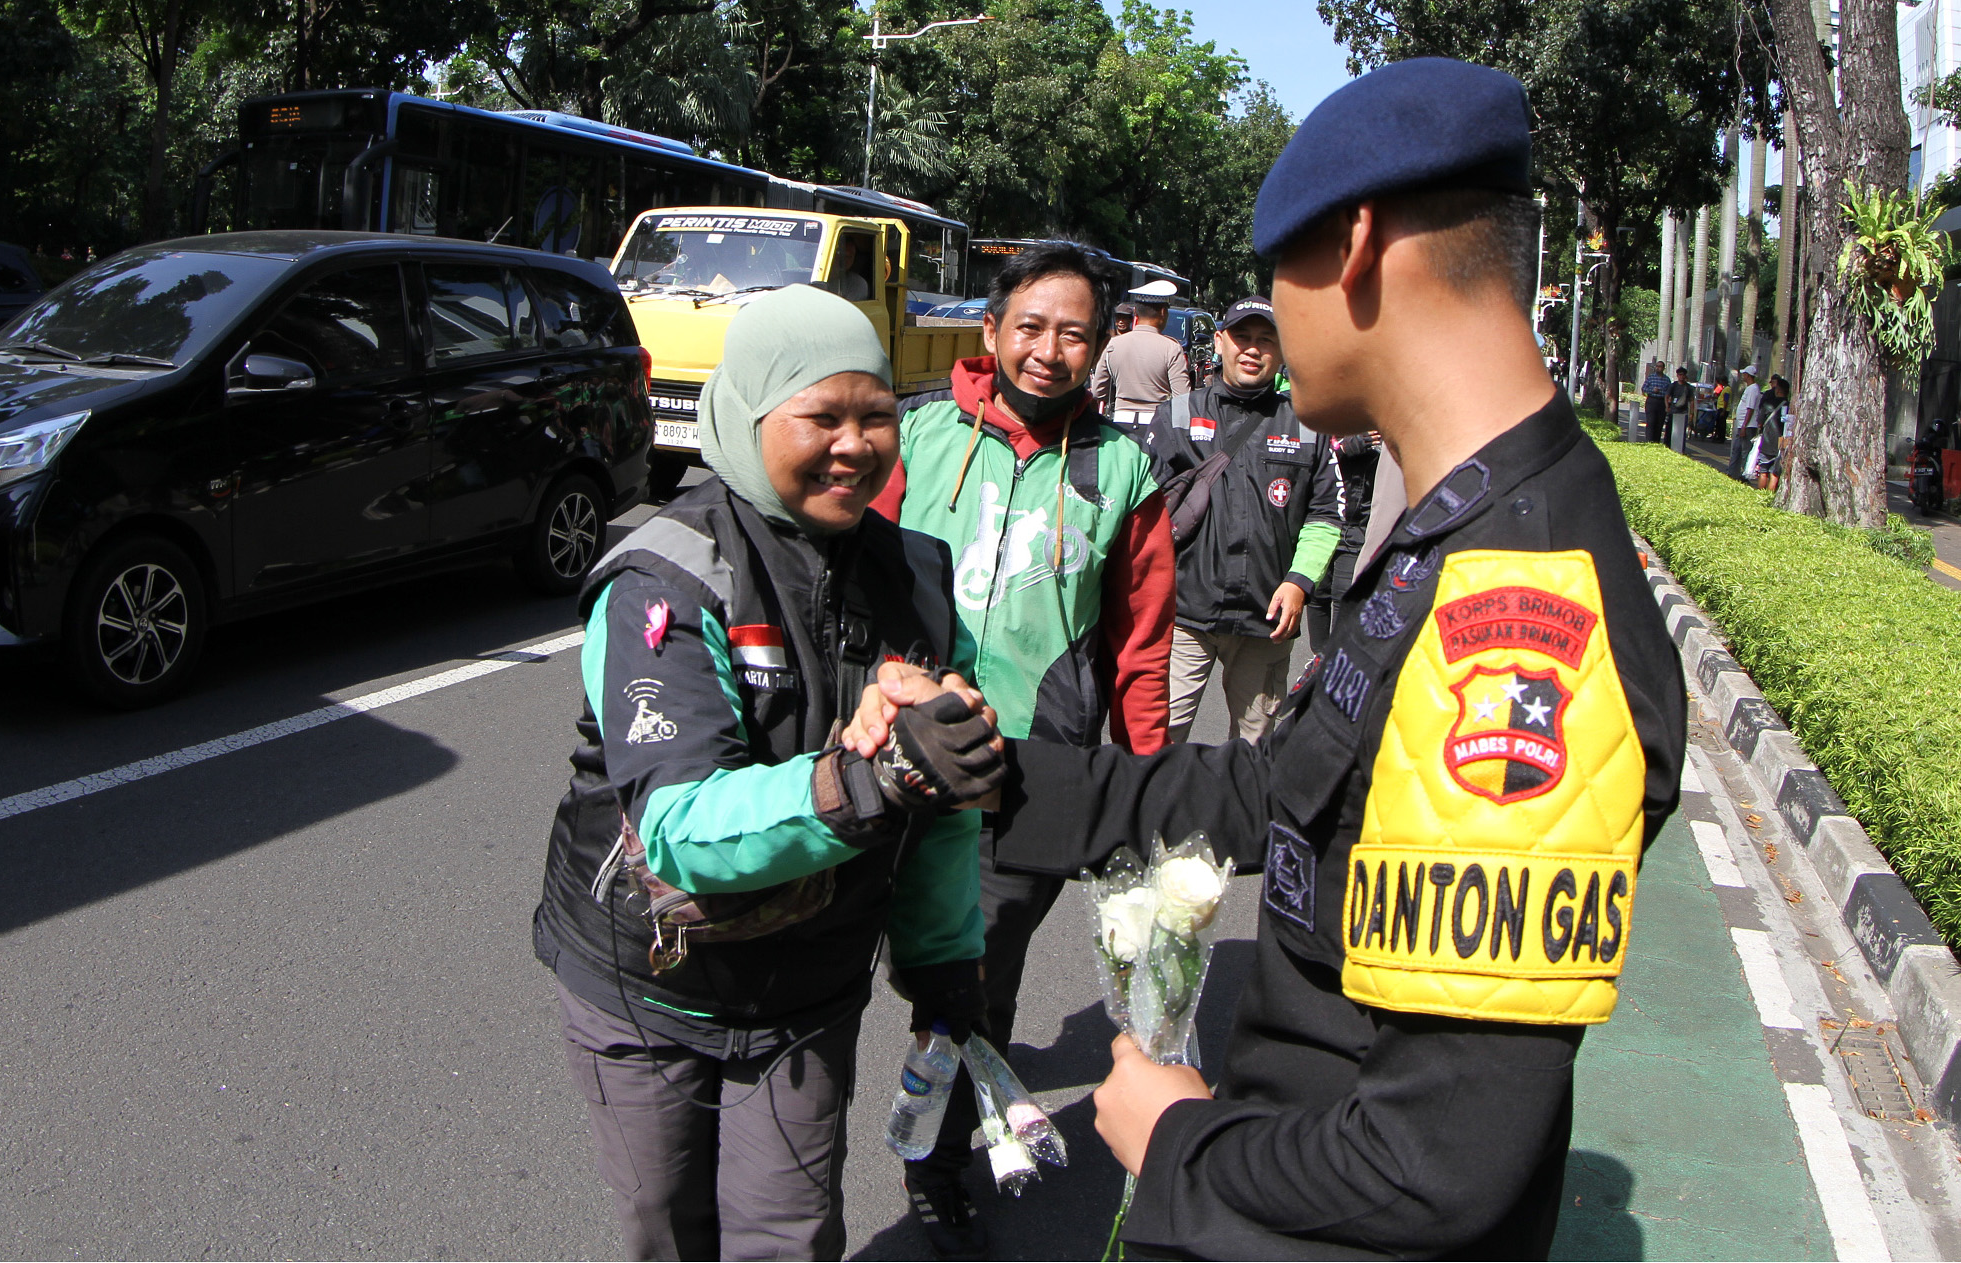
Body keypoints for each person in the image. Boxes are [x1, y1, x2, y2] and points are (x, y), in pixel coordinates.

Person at [849, 57, 1685, 1259]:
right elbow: (1268, 792)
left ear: (1349, 251)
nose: (1266, 322)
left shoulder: (1515, 604)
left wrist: (1175, 1138)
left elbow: (1433, 1163)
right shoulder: (1454, 533)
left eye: (1270, 277)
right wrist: (990, 776)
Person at [532, 286, 1003, 1261]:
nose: (853, 444)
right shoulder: (667, 572)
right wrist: (860, 782)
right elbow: (676, 821)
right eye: (819, 416)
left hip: (809, 986)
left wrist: (944, 965)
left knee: (786, 1238)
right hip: (648, 979)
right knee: (669, 1231)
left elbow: (941, 802)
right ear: (746, 416)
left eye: (875, 415)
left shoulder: (914, 573)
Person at [871, 238, 1174, 1255]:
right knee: (843, 960)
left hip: (1026, 778)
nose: (1048, 350)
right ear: (990, 330)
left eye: (1073, 332)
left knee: (972, 983)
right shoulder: (911, 438)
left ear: (1098, 347)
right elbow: (845, 583)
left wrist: (1141, 788)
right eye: (1030, 326)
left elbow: (1138, 645)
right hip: (889, 755)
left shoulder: (1122, 469)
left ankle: (933, 1160)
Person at [1147, 295, 1341, 744]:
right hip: (1184, 614)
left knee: (1255, 747)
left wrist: (1299, 582)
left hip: (1266, 622)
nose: (1252, 350)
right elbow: (1140, 513)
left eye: (1265, 340)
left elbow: (1327, 515)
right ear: (1219, 342)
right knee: (1159, 739)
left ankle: (1237, 817)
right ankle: (1157, 816)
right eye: (1241, 338)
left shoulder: (1308, 423)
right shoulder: (1176, 415)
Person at [1307, 428, 1382, 647]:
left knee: (1344, 593)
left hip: (1358, 524)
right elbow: (1315, 456)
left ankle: (1336, 658)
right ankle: (1318, 659)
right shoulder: (1328, 416)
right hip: (1325, 518)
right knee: (1317, 594)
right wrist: (1344, 447)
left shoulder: (1378, 418)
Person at [1091, 292, 1192, 433]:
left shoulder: (1112, 345)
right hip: (1157, 425)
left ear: (1135, 313)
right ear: (1163, 312)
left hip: (1120, 423)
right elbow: (1182, 398)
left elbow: (1098, 391)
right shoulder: (1171, 348)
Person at [1755, 374, 1792, 490]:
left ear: (1778, 390)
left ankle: (1760, 495)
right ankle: (1770, 496)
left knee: (1763, 471)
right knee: (1775, 473)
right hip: (1782, 443)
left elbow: (1760, 423)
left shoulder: (1767, 405)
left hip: (1766, 442)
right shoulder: (1790, 406)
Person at [1729, 368, 1764, 482]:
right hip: (1742, 425)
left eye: (1744, 374)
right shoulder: (1749, 388)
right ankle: (1733, 472)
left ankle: (1745, 474)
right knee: (1737, 449)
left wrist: (1744, 425)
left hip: (1748, 426)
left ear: (1748, 375)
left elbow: (1750, 409)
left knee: (1745, 451)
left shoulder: (1753, 389)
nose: (1743, 376)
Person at [1664, 366, 1693, 447]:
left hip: (1683, 412)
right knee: (1669, 430)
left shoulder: (1688, 387)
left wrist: (1691, 413)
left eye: (1683, 375)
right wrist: (1667, 407)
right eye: (1680, 375)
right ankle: (1667, 445)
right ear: (1677, 375)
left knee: (1682, 432)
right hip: (1673, 411)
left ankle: (1680, 448)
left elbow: (1691, 401)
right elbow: (1666, 396)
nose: (1681, 376)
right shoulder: (1673, 385)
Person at [1640, 361, 1669, 441]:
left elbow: (1669, 392)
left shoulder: (1667, 380)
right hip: (1651, 401)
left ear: (1663, 368)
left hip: (1662, 402)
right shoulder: (1651, 377)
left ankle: (1656, 441)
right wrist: (1652, 390)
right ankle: (1649, 440)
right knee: (1651, 422)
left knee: (1659, 424)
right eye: (1657, 366)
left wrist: (1661, 392)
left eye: (1660, 366)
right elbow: (1644, 388)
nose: (1658, 368)